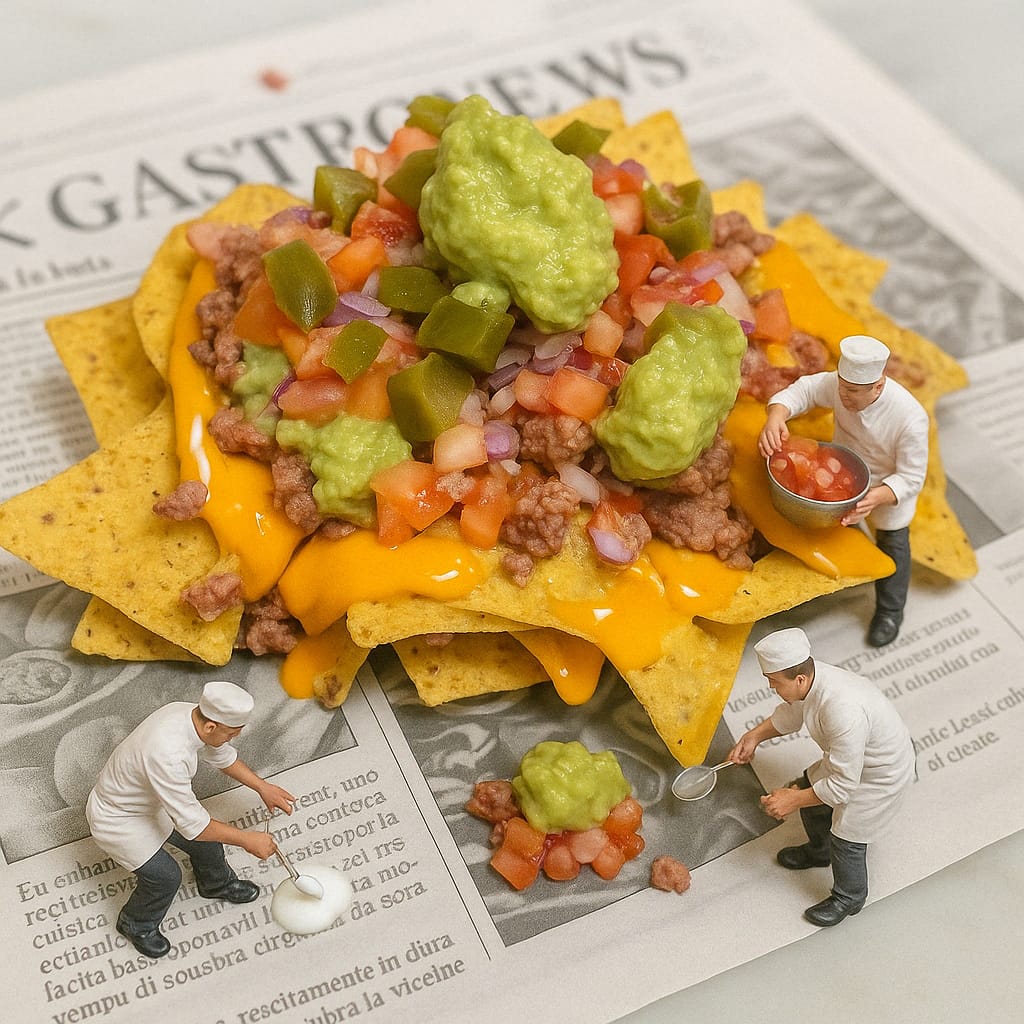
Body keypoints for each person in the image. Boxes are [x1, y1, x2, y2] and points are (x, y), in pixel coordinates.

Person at [86, 680, 295, 959]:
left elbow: (220, 755)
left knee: (208, 846)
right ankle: (136, 923)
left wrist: (261, 786)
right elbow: (196, 827)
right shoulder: (168, 754)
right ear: (211, 727)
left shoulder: (188, 713)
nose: (233, 738)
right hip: (119, 818)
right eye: (231, 734)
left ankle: (216, 884)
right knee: (165, 876)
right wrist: (247, 839)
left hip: (152, 803)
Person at [728, 627, 915, 927]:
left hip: (879, 776)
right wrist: (754, 736)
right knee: (808, 788)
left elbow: (842, 786)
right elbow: (792, 714)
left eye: (774, 683)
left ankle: (849, 896)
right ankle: (819, 851)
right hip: (853, 766)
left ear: (798, 678)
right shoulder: (812, 680)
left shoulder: (842, 709)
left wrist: (792, 800)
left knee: (847, 837)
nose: (772, 689)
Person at [758, 334, 929, 647]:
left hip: (887, 493)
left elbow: (913, 476)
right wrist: (777, 415)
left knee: (893, 547)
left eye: (853, 392)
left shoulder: (910, 418)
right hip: (838, 477)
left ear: (878, 386)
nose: (844, 397)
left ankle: (890, 612)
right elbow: (805, 390)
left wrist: (878, 495)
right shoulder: (839, 386)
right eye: (842, 388)